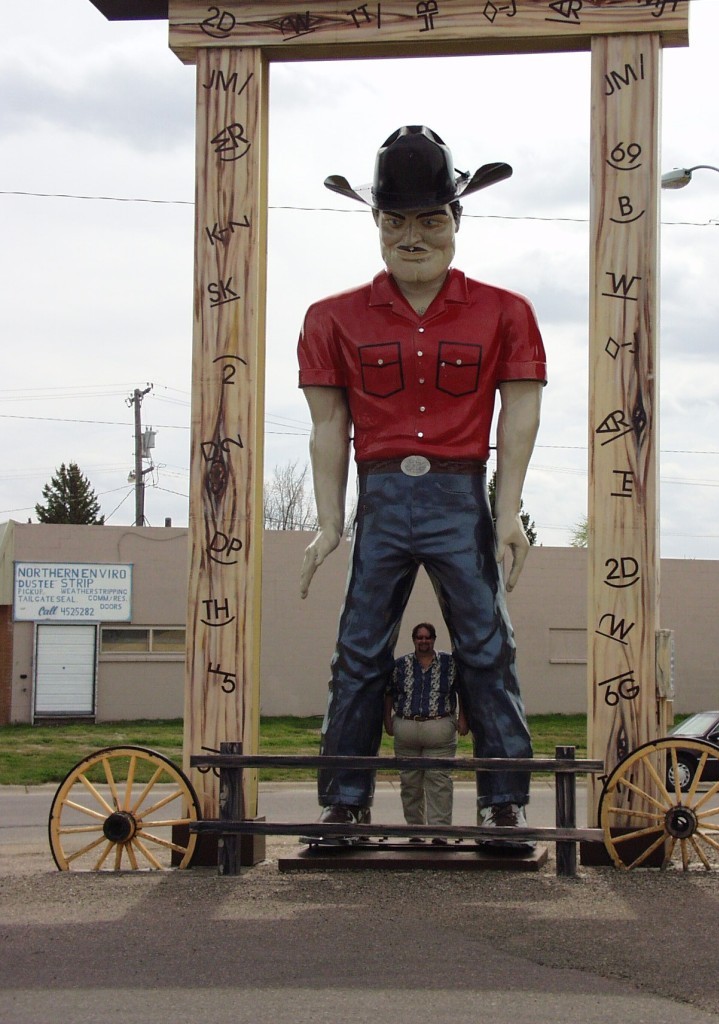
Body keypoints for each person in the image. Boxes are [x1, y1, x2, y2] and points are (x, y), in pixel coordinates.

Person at [298, 126, 546, 844]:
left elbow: (521, 415)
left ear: (456, 222)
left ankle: (504, 803)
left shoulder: (506, 312)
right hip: (380, 497)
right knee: (359, 651)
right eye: (396, 219)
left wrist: (507, 513)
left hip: (459, 496)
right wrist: (329, 521)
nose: (414, 236)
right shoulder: (330, 319)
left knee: (489, 647)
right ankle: (343, 802)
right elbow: (327, 426)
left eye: (431, 219)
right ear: (375, 223)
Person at [384, 622, 469, 839]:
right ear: (414, 640)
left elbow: (463, 691)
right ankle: (415, 830)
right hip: (406, 727)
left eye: (427, 637)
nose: (423, 641)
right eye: (419, 638)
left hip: (438, 726)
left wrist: (463, 718)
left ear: (433, 639)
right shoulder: (400, 665)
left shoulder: (450, 663)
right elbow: (389, 693)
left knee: (439, 783)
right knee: (410, 784)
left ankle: (439, 832)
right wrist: (387, 720)